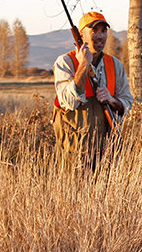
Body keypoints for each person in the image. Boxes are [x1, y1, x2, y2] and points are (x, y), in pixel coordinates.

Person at [52, 11, 134, 170]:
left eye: (104, 31)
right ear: (81, 35)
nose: (100, 35)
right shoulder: (65, 62)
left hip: (106, 153)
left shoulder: (115, 65)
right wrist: (84, 64)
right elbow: (69, 101)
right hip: (73, 153)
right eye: (94, 30)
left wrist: (112, 100)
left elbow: (127, 104)